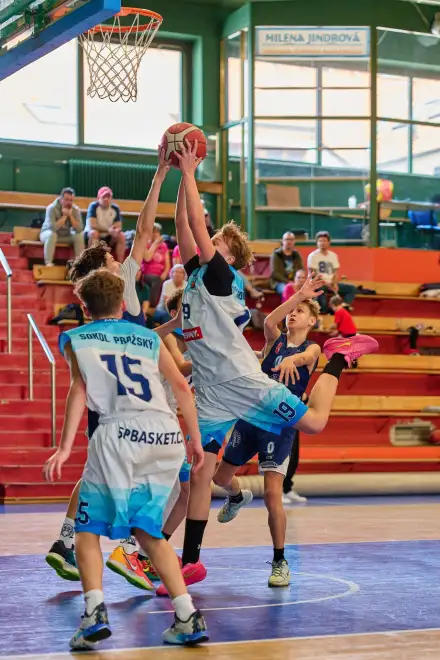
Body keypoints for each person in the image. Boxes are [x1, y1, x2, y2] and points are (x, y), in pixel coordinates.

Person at [155, 139, 379, 596]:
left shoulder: (222, 276)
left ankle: (339, 355)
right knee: (199, 473)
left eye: (216, 241)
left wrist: (191, 171)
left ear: (228, 256)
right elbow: (183, 226)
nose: (205, 241)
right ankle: (190, 562)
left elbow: (195, 223)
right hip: (212, 391)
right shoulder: (197, 274)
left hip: (243, 380)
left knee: (314, 423)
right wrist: (177, 173)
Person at [43, 269, 208, 649]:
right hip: (165, 433)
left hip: (119, 432)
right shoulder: (149, 337)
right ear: (122, 303)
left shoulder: (78, 338)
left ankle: (94, 613)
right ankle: (187, 615)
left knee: (87, 529)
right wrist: (195, 440)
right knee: (148, 530)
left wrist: (65, 447)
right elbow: (182, 388)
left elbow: (79, 390)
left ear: (85, 307)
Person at [45, 149, 172, 587]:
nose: (122, 259)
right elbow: (143, 230)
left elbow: (142, 334)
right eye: (114, 260)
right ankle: (130, 550)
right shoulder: (118, 289)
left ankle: (68, 542)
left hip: (115, 397)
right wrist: (159, 175)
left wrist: (173, 326)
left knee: (100, 472)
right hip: (123, 402)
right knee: (138, 473)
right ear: (104, 274)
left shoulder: (117, 296)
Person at [214, 278, 321, 587]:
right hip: (251, 417)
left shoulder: (311, 347)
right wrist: (298, 295)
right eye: (293, 310)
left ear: (312, 321)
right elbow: (271, 320)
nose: (294, 314)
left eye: (301, 311)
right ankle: (236, 497)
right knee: (220, 478)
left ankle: (280, 561)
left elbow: (307, 358)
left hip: (280, 425)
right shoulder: (274, 340)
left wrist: (292, 359)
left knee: (273, 494)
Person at [307, 231, 356, 313]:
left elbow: (335, 273)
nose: (322, 243)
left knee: (351, 288)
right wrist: (326, 284)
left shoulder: (333, 256)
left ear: (329, 242)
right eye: (320, 241)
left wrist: (335, 283)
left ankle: (343, 307)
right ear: (317, 242)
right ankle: (325, 310)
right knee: (320, 289)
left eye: (324, 241)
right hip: (318, 284)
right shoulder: (313, 256)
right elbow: (313, 274)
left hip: (331, 283)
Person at [40, 187, 84, 266]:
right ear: (61, 199)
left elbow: (79, 229)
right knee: (52, 235)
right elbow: (52, 228)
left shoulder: (75, 210)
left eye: (71, 200)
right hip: (47, 234)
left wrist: (70, 216)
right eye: (66, 199)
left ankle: (80, 265)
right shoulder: (51, 208)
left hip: (65, 236)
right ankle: (48, 263)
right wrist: (64, 217)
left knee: (79, 236)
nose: (69, 202)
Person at [85, 187, 126, 262]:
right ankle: (93, 262)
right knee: (94, 233)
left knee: (121, 236)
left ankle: (120, 263)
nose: (106, 199)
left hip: (109, 237)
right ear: (98, 198)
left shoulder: (115, 208)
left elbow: (118, 226)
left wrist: (115, 231)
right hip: (95, 235)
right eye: (103, 197)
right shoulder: (93, 206)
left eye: (108, 197)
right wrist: (108, 229)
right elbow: (92, 225)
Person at [141, 222, 171, 306]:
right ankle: (152, 305)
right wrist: (155, 245)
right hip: (148, 273)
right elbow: (147, 258)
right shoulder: (145, 244)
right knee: (156, 280)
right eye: (153, 232)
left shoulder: (164, 246)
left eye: (157, 232)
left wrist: (165, 273)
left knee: (170, 279)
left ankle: (167, 305)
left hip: (161, 273)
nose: (155, 234)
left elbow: (167, 263)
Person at [270, 232, 304, 296]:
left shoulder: (296, 254)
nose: (289, 242)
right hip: (280, 282)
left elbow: (301, 269)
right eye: (287, 239)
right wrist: (287, 281)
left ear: (294, 241)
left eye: (291, 240)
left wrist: (297, 281)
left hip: (295, 281)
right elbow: (274, 273)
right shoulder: (276, 254)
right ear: (283, 241)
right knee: (286, 290)